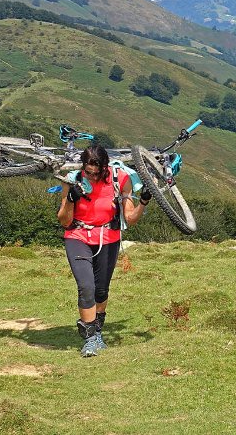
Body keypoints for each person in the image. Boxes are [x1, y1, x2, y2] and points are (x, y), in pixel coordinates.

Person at [57, 144, 151, 357]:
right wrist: (71, 199)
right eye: (87, 172)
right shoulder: (73, 180)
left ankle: (98, 332)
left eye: (95, 173)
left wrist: (143, 202)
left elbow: (130, 218)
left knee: (101, 290)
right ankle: (90, 339)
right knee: (86, 286)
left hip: (108, 237)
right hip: (77, 236)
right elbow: (64, 220)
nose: (91, 177)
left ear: (104, 168)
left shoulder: (120, 180)